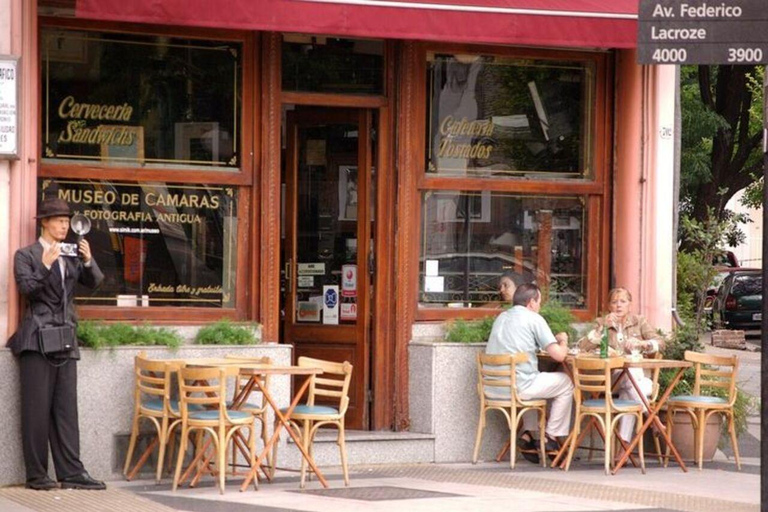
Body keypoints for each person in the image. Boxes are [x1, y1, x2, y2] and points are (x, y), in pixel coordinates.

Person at [7, 197, 106, 491]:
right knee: (36, 410)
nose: (65, 225)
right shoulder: (25, 255)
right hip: (36, 340)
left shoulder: (72, 253)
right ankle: (37, 476)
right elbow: (28, 289)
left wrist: (88, 260)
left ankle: (72, 472)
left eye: (67, 221)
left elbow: (96, 282)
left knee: (66, 410)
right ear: (45, 223)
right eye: (59, 220)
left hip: (65, 338)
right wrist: (46, 266)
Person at [485, 283, 573, 463]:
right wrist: (563, 340)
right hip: (518, 388)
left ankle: (528, 434)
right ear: (532, 302)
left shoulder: (501, 317)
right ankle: (551, 436)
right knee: (566, 382)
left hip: (493, 389)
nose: (540, 307)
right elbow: (559, 356)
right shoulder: (534, 319)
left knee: (533, 380)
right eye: (539, 302)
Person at [577, 287, 665, 443]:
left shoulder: (639, 322)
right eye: (614, 302)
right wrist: (602, 328)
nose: (618, 306)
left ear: (630, 305)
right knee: (628, 379)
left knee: (629, 390)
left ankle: (623, 447)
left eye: (623, 302)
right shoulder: (601, 322)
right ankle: (652, 418)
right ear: (609, 306)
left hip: (640, 380)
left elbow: (661, 343)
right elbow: (583, 347)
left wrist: (643, 343)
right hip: (611, 381)